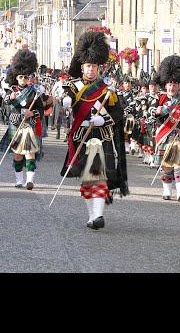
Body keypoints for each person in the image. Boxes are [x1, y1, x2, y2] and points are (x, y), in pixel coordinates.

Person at [60, 31, 129, 230]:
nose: (91, 70)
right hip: (82, 135)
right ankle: (92, 215)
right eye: (88, 66)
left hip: (101, 135)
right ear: (82, 67)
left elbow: (118, 113)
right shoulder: (73, 86)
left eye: (94, 66)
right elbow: (68, 104)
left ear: (99, 67)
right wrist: (66, 102)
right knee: (88, 179)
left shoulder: (107, 88)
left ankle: (98, 215)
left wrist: (103, 119)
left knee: (98, 175)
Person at [0, 50, 48, 189]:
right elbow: (6, 102)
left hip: (30, 124)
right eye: (20, 77)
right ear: (15, 77)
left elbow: (41, 110)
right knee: (18, 154)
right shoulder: (11, 91)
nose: (23, 79)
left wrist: (32, 113)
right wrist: (11, 98)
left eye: (26, 77)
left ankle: (30, 180)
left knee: (30, 153)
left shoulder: (35, 91)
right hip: (16, 123)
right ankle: (19, 179)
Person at [150, 55, 180, 201]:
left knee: (178, 161)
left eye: (175, 84)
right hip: (164, 134)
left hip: (179, 134)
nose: (172, 87)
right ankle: (167, 190)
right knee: (167, 164)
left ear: (179, 85)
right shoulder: (159, 99)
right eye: (169, 84)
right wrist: (157, 112)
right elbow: (150, 115)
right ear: (165, 84)